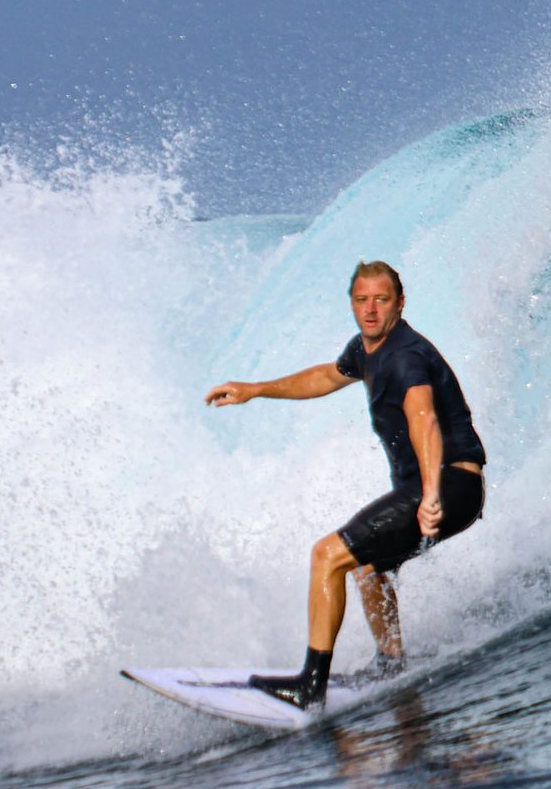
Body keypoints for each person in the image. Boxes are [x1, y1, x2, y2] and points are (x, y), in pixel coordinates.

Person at [204, 259, 486, 709]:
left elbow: (424, 420)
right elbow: (324, 377)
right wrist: (255, 389)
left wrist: (431, 494)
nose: (370, 310)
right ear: (352, 304)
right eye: (361, 300)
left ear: (400, 303)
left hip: (450, 485)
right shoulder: (366, 348)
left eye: (381, 299)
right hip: (448, 488)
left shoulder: (404, 356)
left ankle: (309, 688)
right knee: (366, 567)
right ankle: (391, 662)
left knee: (328, 554)